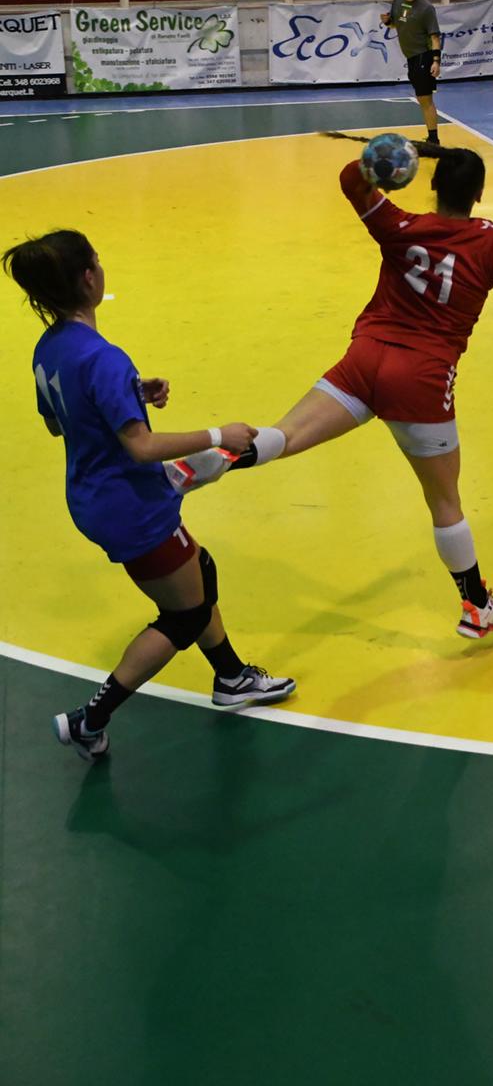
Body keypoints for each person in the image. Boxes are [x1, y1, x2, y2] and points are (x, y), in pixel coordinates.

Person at [173, 144, 493, 640]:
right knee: (445, 502)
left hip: (365, 361)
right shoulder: (491, 242)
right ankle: (476, 605)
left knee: (284, 435)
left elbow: (351, 179)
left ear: (432, 186)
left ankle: (191, 467)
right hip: (421, 381)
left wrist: (390, 154)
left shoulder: (401, 226)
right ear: (480, 194)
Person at [2, 230, 296, 764]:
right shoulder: (103, 357)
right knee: (183, 615)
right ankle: (90, 720)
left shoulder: (49, 349)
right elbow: (140, 447)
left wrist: (131, 396)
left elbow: (56, 421)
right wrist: (217, 435)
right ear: (89, 278)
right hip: (131, 505)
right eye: (97, 260)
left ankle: (231, 676)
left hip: (95, 496)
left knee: (199, 570)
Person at [381, 0, 443, 145]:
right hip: (411, 58)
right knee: (421, 98)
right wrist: (387, 22)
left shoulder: (426, 8)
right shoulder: (398, 0)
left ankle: (433, 139)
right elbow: (395, 24)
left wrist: (436, 61)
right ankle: (432, 137)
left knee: (425, 99)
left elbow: (434, 37)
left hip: (423, 56)